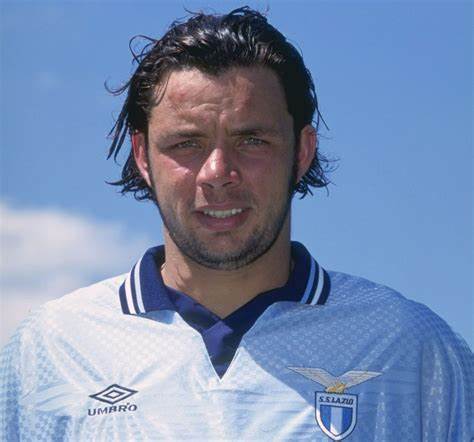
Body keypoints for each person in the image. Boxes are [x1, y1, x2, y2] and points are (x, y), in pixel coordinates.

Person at [0, 7, 472, 441]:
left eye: (251, 140)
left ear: (302, 151)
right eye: (186, 143)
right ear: (143, 156)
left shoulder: (410, 348)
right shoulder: (52, 347)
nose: (217, 173)